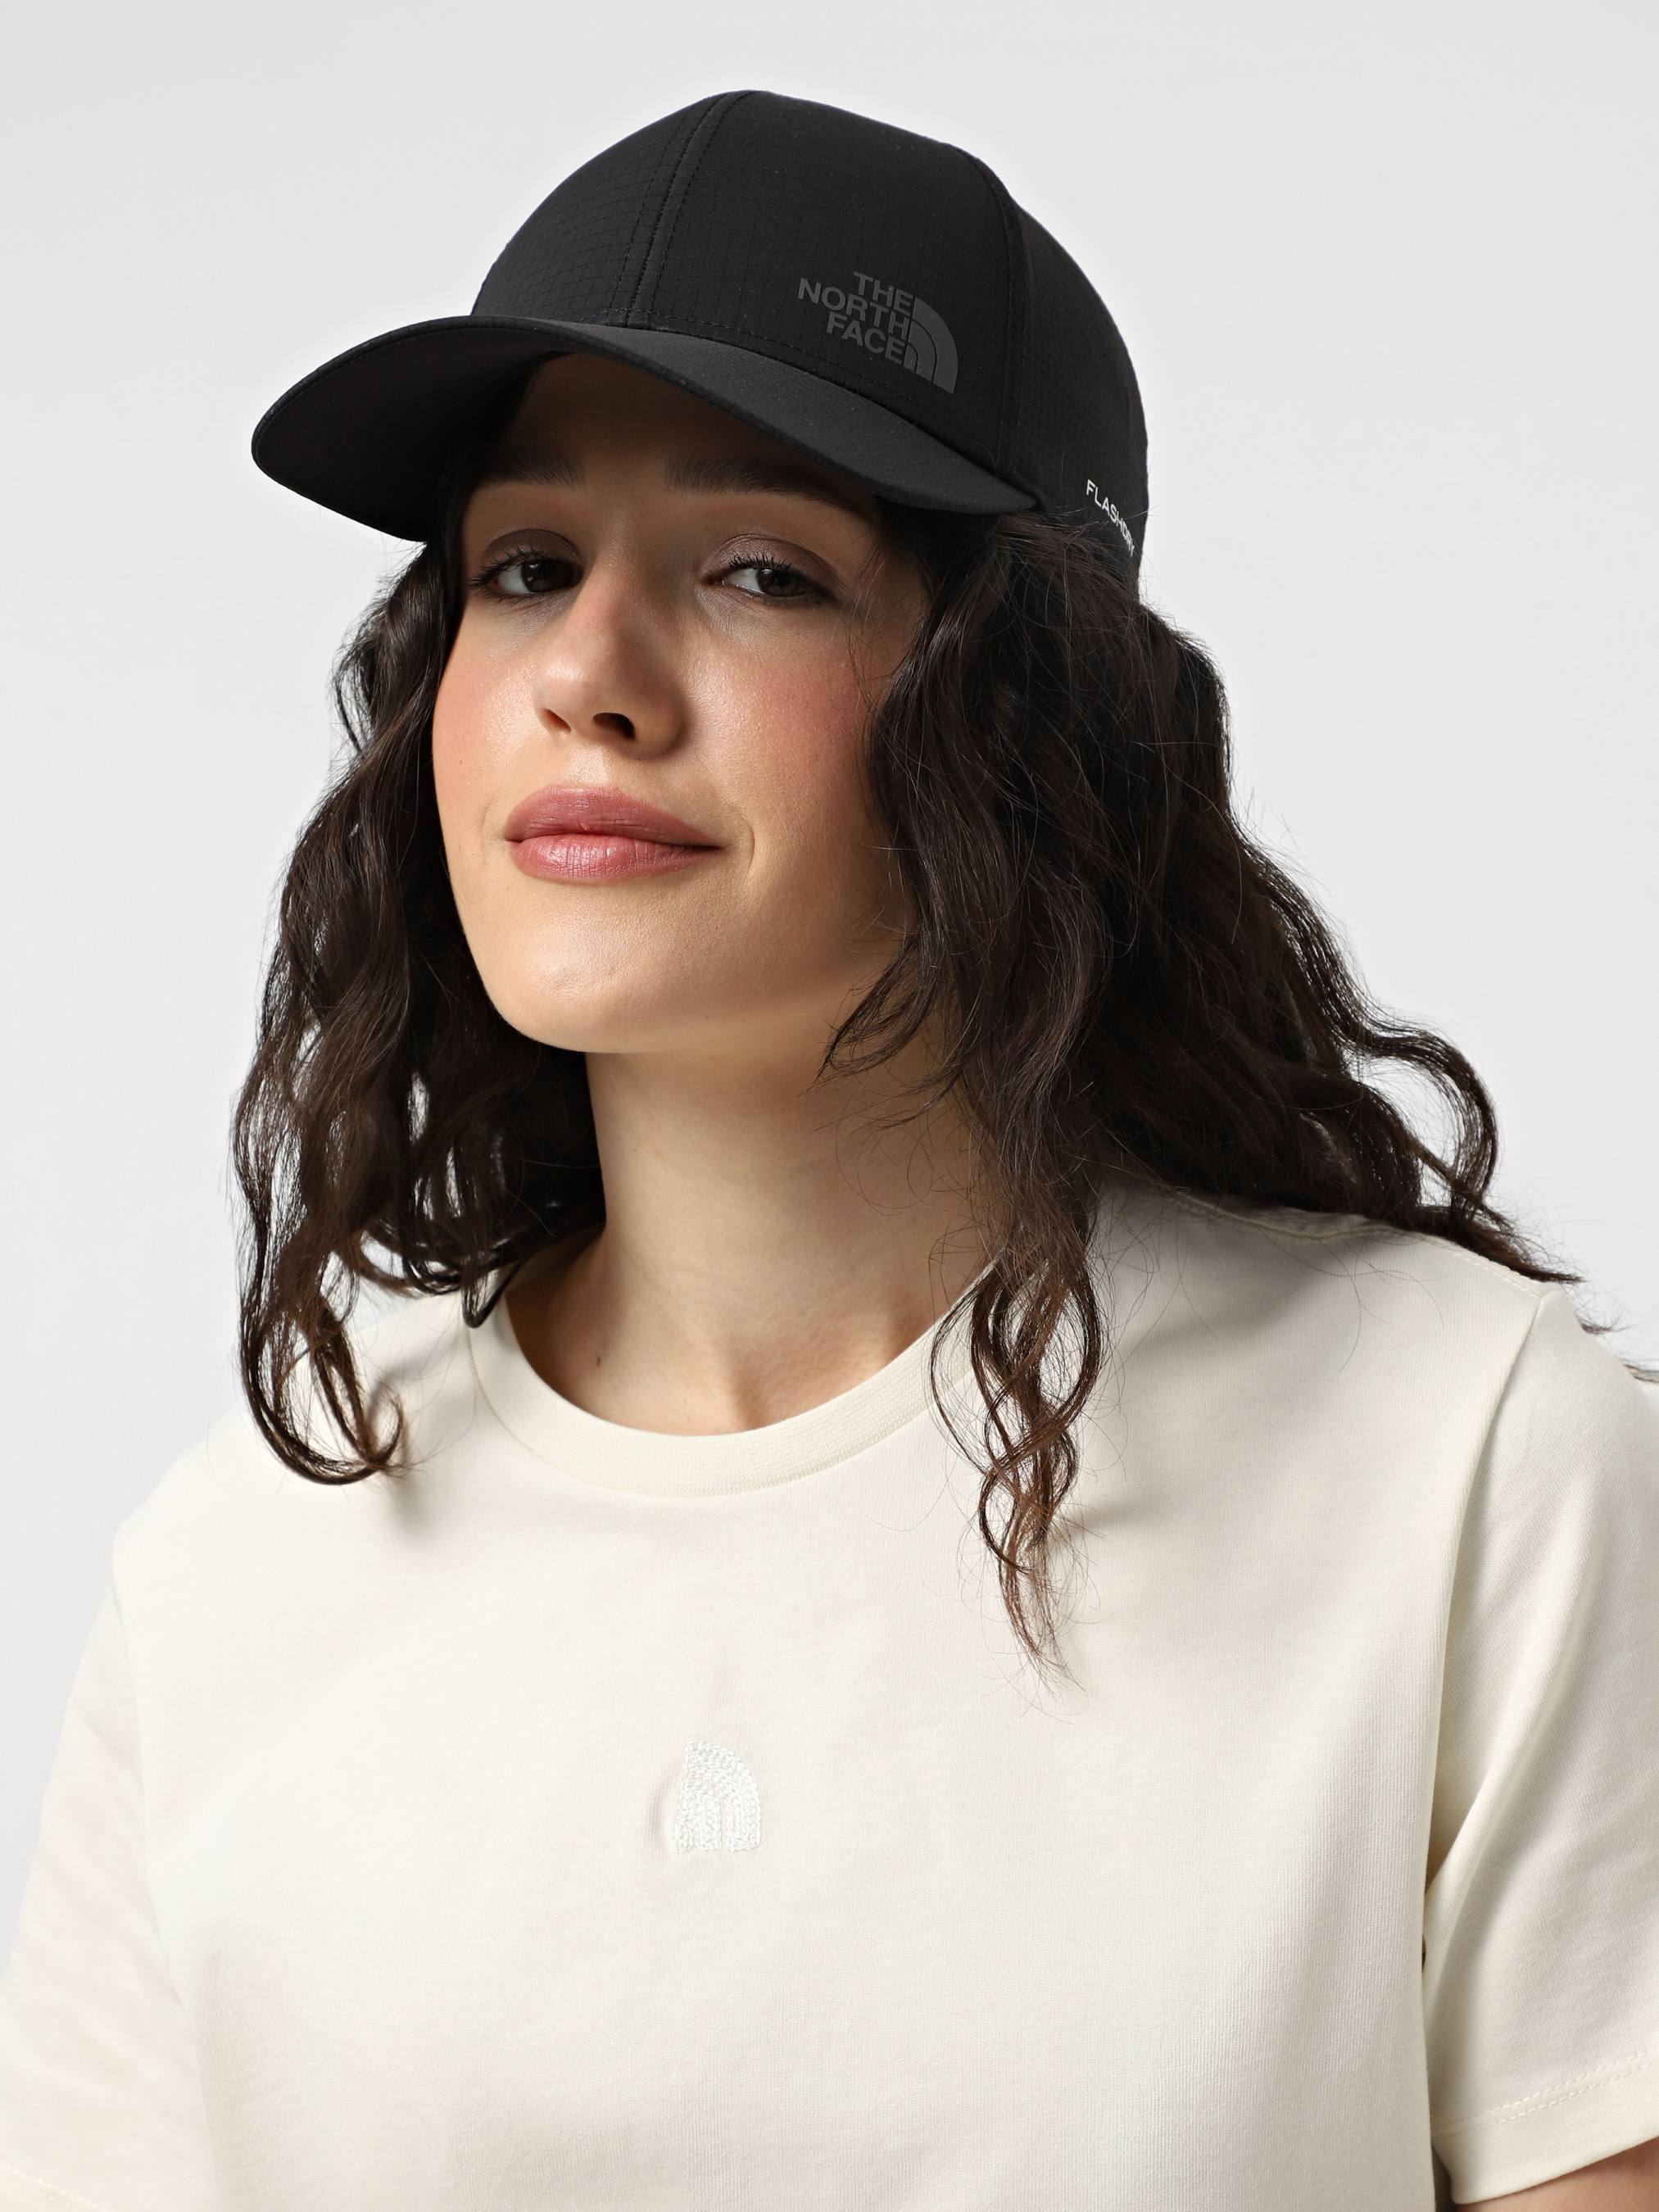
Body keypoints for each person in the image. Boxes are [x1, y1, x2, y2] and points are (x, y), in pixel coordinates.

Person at [1, 90, 1655, 2212]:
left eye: (761, 572)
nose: (589, 673)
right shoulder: (234, 1577)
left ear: (1025, 712)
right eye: (523, 567)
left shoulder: (1462, 1466)